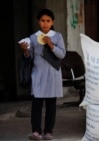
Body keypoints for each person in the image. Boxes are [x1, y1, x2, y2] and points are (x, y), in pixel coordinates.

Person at [19, 8, 66, 140]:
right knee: (36, 105)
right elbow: (30, 57)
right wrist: (26, 51)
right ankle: (36, 131)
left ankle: (48, 131)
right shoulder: (33, 38)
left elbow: (62, 54)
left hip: (53, 75)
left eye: (48, 21)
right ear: (38, 22)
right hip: (38, 75)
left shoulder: (58, 36)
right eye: (42, 21)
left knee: (51, 105)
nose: (45, 23)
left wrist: (51, 45)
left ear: (52, 22)